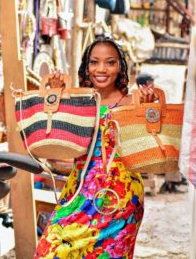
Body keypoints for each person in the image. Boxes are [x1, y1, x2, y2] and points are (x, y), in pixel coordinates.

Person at [34, 36, 158, 259]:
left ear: (121, 66)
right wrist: (56, 95)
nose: (101, 69)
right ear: (86, 66)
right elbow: (51, 135)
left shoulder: (132, 102)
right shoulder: (77, 99)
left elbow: (148, 146)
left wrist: (149, 109)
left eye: (110, 62)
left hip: (122, 197)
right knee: (49, 250)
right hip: (79, 190)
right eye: (94, 62)